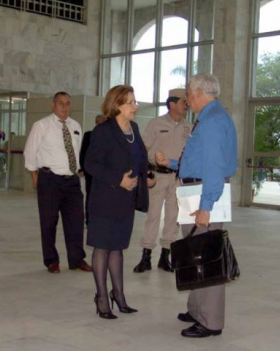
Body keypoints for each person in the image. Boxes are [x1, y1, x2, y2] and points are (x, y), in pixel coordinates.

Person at [156, 74, 237, 338]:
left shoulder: (212, 120)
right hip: (197, 188)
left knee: (206, 257)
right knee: (195, 252)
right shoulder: (211, 117)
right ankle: (196, 308)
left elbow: (213, 167)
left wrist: (206, 206)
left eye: (189, 94)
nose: (187, 100)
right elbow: (200, 159)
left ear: (200, 91)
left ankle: (210, 321)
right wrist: (170, 164)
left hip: (204, 193)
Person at [85, 85, 154, 319]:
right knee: (102, 247)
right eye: (131, 103)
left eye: (135, 101)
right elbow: (91, 164)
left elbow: (140, 158)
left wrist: (147, 177)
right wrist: (118, 180)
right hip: (105, 198)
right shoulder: (103, 131)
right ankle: (102, 297)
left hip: (126, 199)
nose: (135, 106)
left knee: (118, 247)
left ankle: (119, 295)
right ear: (117, 105)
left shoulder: (134, 128)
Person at [23, 92, 92, 274]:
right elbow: (30, 152)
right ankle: (51, 260)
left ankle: (77, 259)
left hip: (72, 181)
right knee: (48, 222)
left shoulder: (75, 126)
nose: (64, 107)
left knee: (76, 222)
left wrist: (78, 171)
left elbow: (76, 153)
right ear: (53, 105)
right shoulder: (42, 125)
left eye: (68, 103)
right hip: (49, 180)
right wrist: (34, 174)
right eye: (61, 103)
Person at [133, 89, 192, 273]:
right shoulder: (156, 123)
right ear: (172, 103)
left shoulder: (188, 127)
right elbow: (143, 149)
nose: (186, 104)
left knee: (173, 218)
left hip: (178, 178)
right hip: (158, 176)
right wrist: (147, 172)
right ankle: (146, 256)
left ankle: (165, 256)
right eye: (183, 101)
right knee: (153, 216)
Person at [79, 114, 107, 226]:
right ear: (96, 123)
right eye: (100, 123)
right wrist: (81, 168)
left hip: (105, 172)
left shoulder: (110, 136)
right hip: (91, 172)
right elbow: (83, 153)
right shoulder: (89, 135)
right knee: (91, 195)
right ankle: (89, 220)